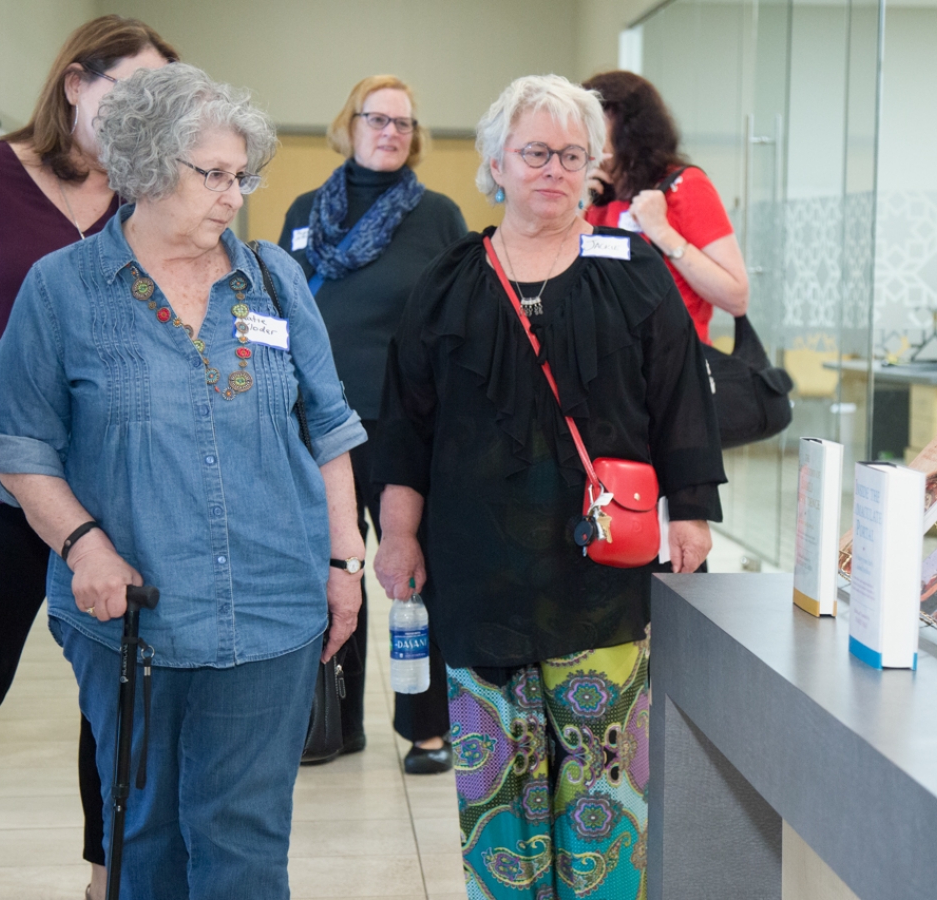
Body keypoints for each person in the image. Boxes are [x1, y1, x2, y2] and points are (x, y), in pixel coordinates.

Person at [0, 63, 366, 899]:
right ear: (149, 167)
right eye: (215, 175)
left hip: (272, 605)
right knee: (145, 834)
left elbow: (329, 430)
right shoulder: (64, 289)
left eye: (242, 175)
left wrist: (345, 565)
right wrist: (84, 547)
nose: (235, 195)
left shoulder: (272, 279)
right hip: (132, 618)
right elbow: (17, 445)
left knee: (245, 839)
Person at [372, 74, 725, 900]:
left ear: (595, 168)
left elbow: (681, 395)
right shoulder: (448, 282)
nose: (553, 170)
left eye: (573, 156)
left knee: (606, 790)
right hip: (476, 569)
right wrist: (397, 534)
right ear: (496, 160)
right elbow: (406, 424)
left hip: (600, 572)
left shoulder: (631, 270)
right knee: (497, 788)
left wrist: (695, 513)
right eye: (535, 153)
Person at [0, 16, 176, 900]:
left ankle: (107, 873)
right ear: (76, 83)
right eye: (127, 89)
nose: (141, 113)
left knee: (117, 699)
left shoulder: (153, 196)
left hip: (123, 486)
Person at [277, 75, 466, 773]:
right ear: (348, 124)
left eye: (404, 123)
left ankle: (427, 728)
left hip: (405, 423)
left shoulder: (438, 216)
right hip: (318, 422)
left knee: (416, 569)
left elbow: (454, 323)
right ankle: (333, 721)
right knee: (332, 565)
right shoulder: (303, 212)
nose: (390, 131)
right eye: (377, 118)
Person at [582, 70, 749, 345]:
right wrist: (574, 211)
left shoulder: (684, 185)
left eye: (595, 126)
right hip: (609, 365)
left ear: (630, 132)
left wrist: (662, 232)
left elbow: (736, 299)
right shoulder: (593, 194)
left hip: (674, 367)